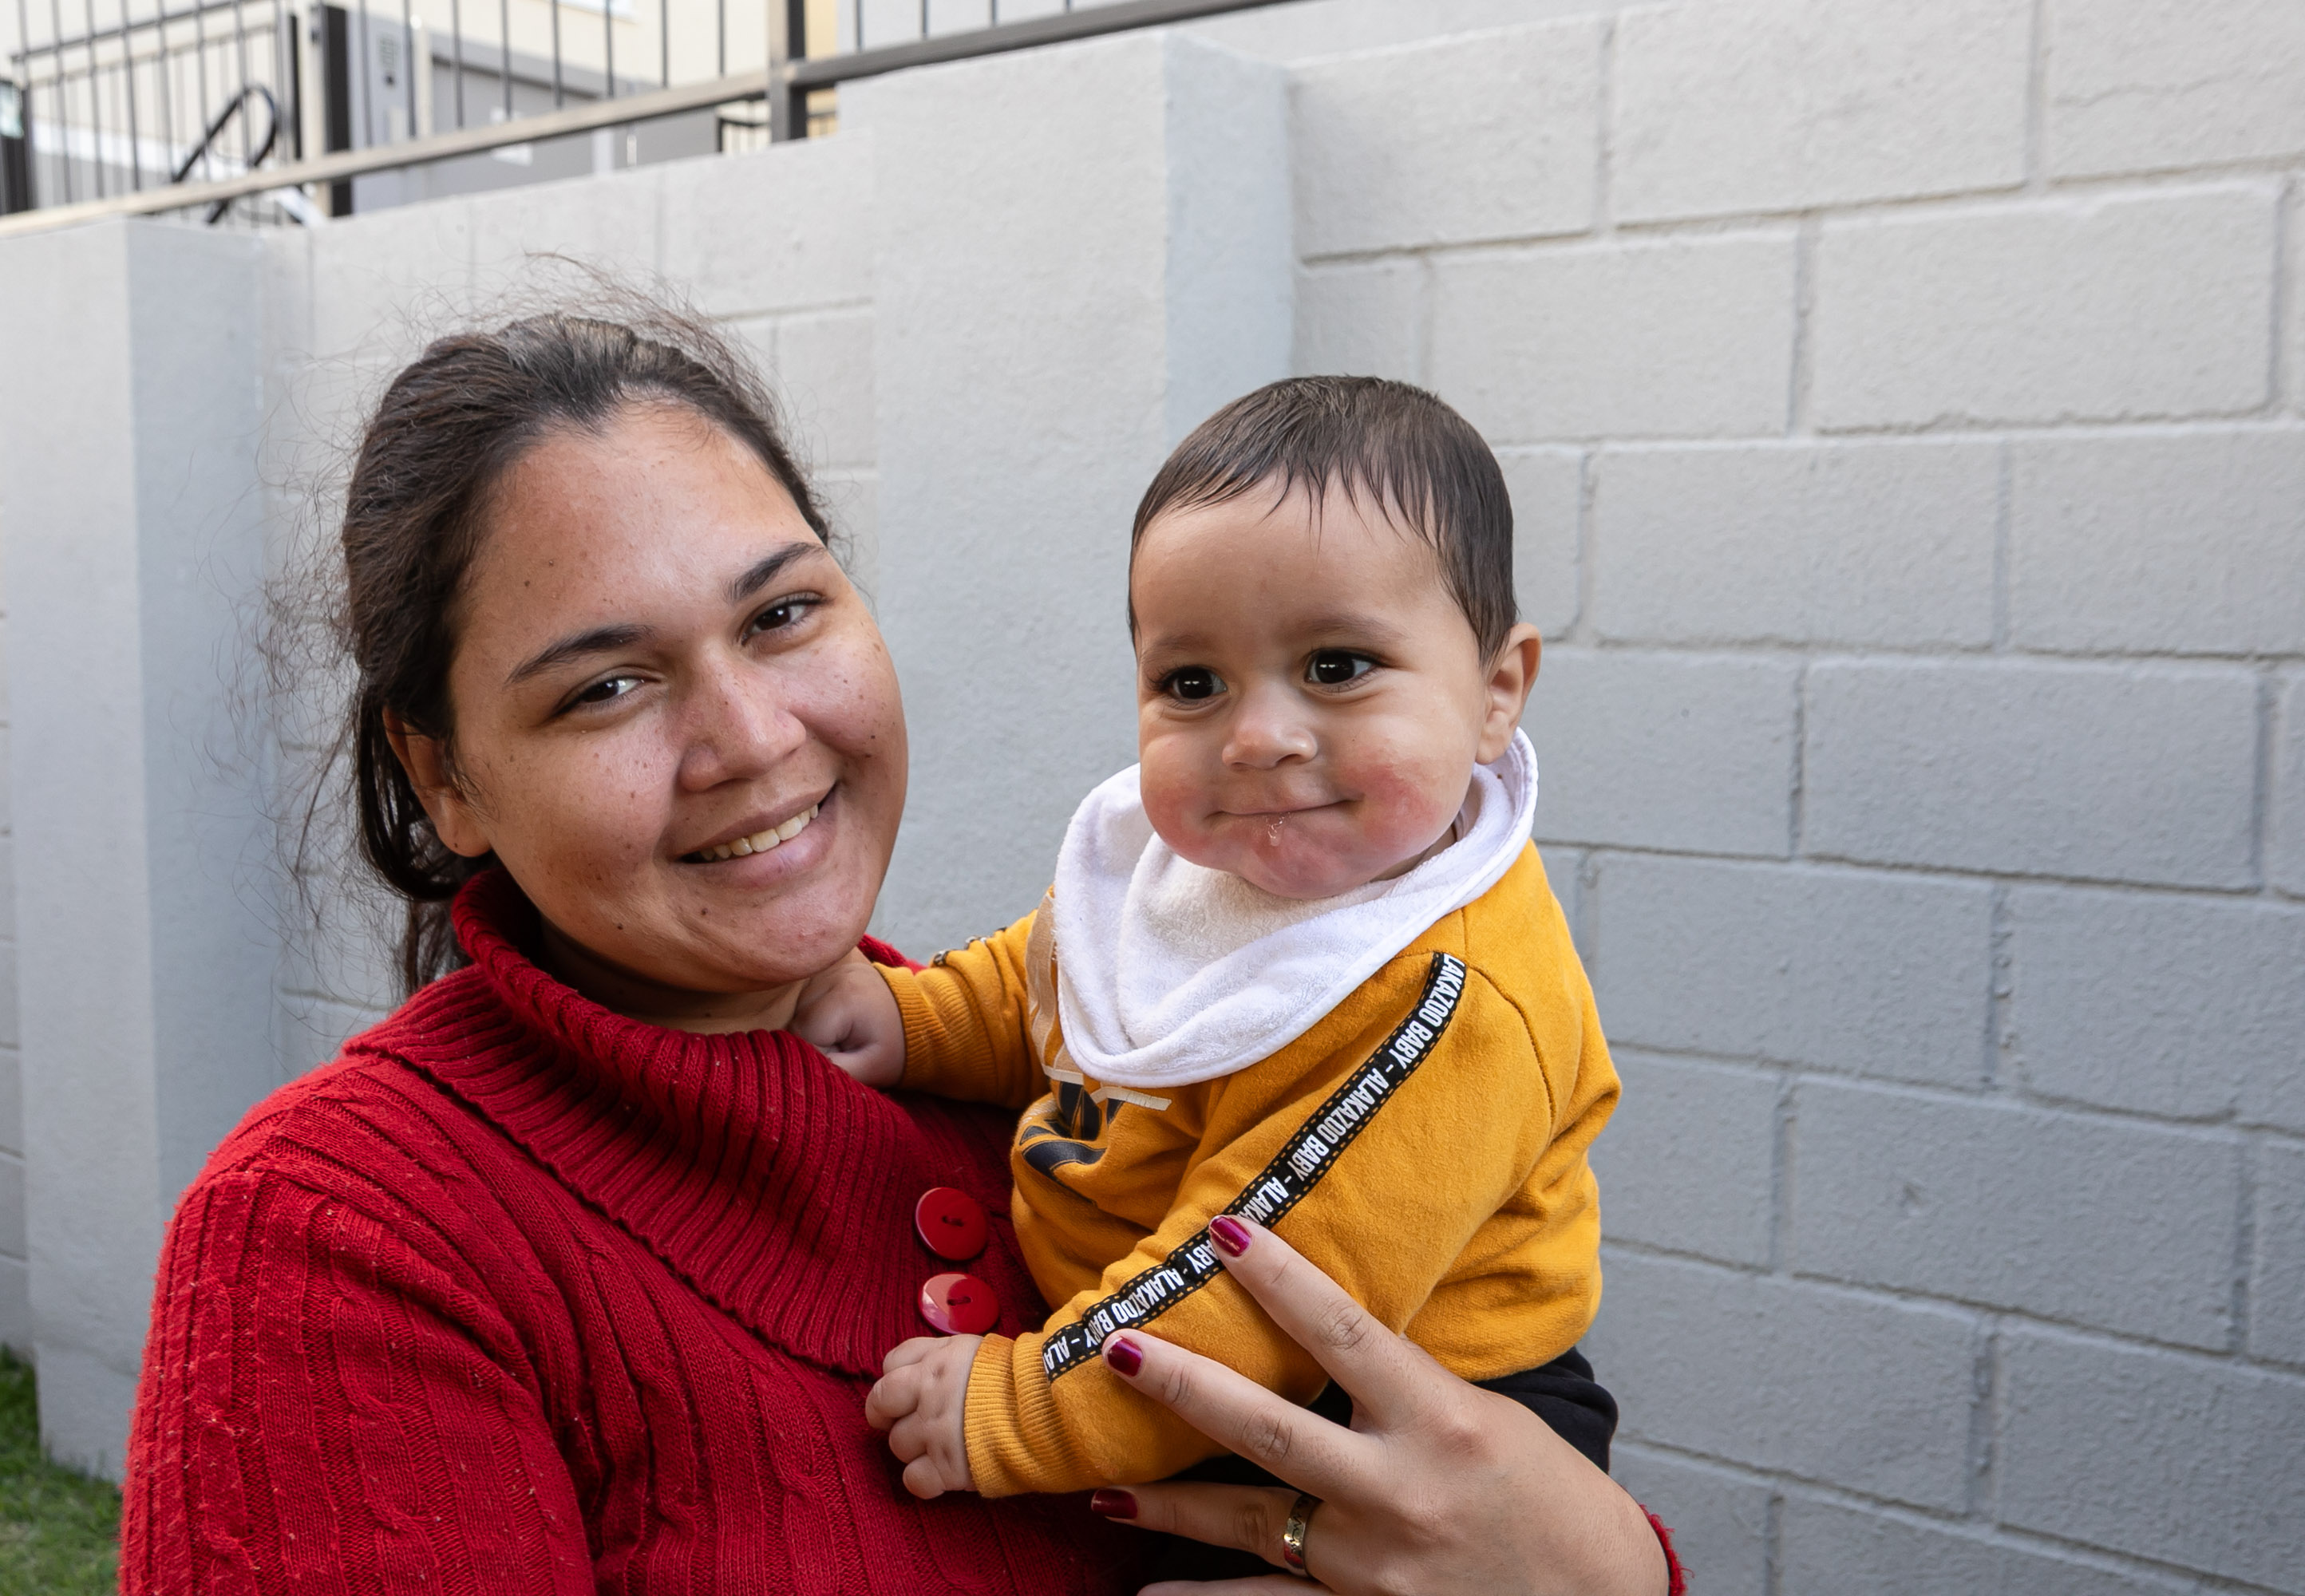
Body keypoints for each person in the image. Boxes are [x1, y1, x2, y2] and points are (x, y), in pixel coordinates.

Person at [118, 305, 1678, 1594]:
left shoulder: (1098, 1064)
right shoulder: (337, 1244)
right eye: (606, 688)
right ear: (445, 773)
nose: (750, 736)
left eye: (782, 616)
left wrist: (1608, 1572)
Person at [792, 378, 1618, 1534]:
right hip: (1163, 1363)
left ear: (1496, 692)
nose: (1257, 738)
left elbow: (1255, 1284)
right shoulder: (1216, 859)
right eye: (1193, 684)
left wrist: (1018, 1410)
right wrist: (918, 1020)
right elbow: (1070, 978)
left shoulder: (1444, 1003)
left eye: (1337, 666)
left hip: (1378, 1425)